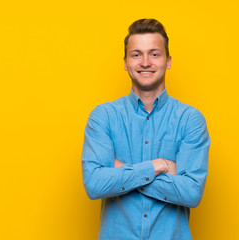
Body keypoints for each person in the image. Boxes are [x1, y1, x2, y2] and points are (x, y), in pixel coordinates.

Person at [81, 18, 210, 240]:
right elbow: (95, 185)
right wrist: (158, 166)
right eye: (136, 54)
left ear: (168, 61)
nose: (145, 62)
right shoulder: (103, 117)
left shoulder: (190, 120)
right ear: (125, 62)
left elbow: (191, 192)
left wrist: (124, 171)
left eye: (154, 54)